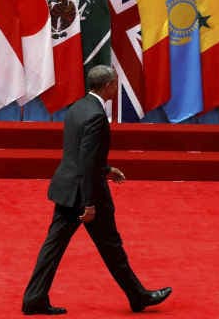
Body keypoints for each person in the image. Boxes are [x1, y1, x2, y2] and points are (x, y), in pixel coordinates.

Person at [21, 65, 171, 315]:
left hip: (68, 189)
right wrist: (89, 203)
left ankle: (34, 298)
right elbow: (87, 160)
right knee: (111, 246)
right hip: (86, 195)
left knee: (54, 247)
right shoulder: (96, 116)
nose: (115, 87)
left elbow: (80, 153)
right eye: (115, 83)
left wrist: (106, 169)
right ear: (108, 86)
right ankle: (139, 297)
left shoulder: (78, 107)